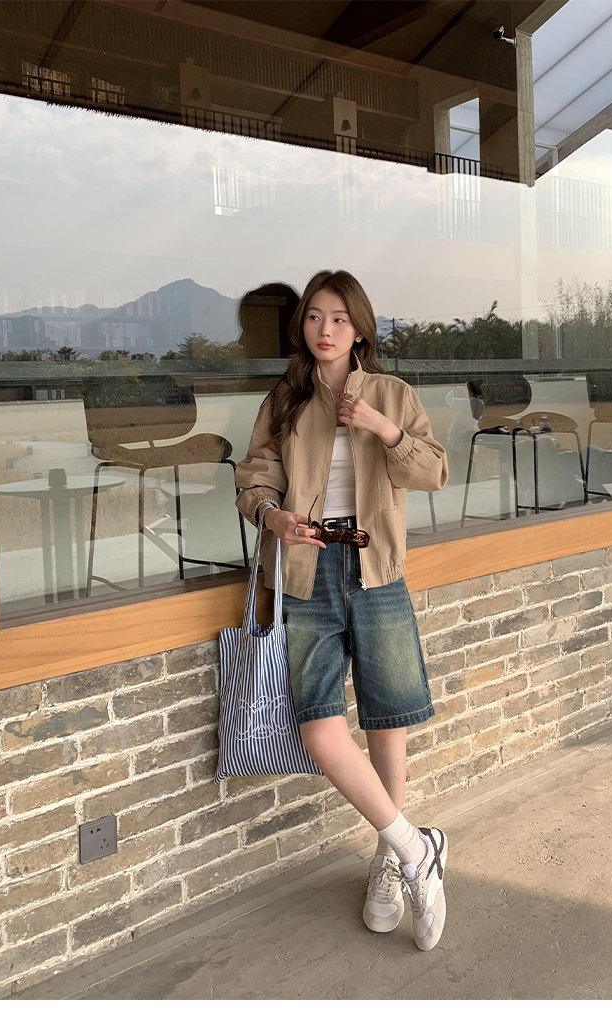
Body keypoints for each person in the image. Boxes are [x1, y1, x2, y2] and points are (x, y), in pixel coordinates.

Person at [234, 269, 450, 950]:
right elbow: (255, 475)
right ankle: (415, 849)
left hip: (375, 569)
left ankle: (388, 862)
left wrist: (383, 427)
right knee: (320, 728)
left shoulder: (392, 393)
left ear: (359, 329)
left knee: (387, 719)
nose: (323, 330)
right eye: (313, 317)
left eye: (337, 318)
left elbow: (433, 471)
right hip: (305, 572)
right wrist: (273, 517)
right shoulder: (285, 398)